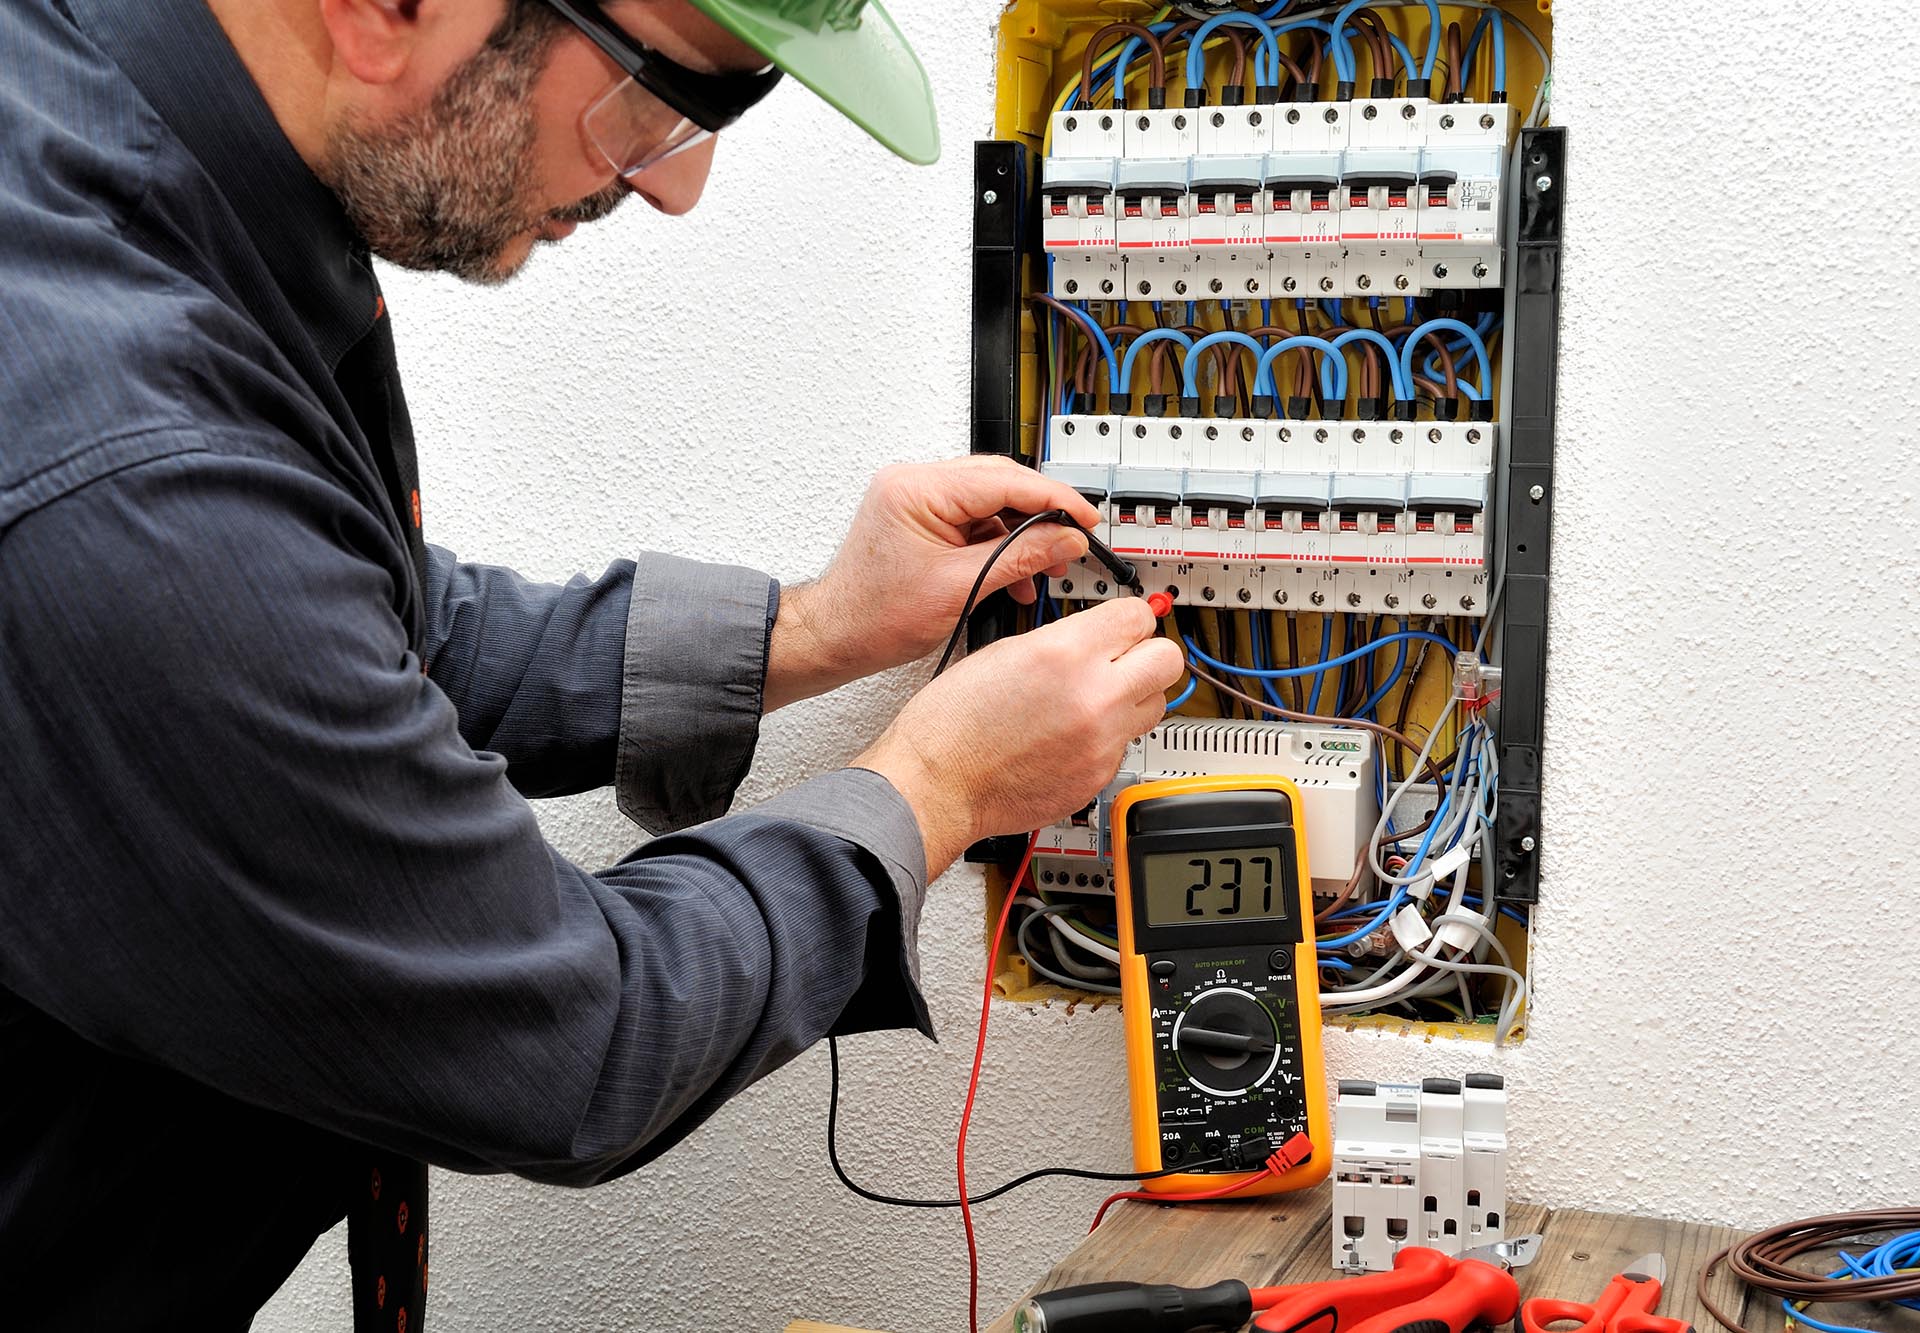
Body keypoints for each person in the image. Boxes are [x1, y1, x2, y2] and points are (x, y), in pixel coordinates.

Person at [0, 0, 1183, 1326]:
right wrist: (932, 789)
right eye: (659, 96)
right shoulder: (118, 468)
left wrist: (818, 626)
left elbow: (359, 628)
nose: (676, 182)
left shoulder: (135, 147)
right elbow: (567, 1041)